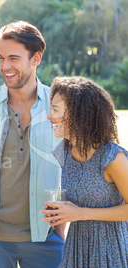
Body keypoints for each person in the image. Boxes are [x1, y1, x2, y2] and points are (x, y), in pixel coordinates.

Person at [0, 21, 65, 267]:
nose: (5, 66)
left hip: (46, 239)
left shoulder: (59, 108)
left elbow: (67, 170)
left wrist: (60, 232)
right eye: (1, 58)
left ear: (36, 58)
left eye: (14, 58)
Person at [41, 76, 128, 267]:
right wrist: (61, 212)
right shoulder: (64, 152)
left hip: (110, 251)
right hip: (76, 250)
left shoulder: (112, 158)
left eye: (55, 110)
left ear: (77, 114)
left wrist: (80, 213)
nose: (49, 116)